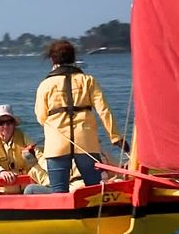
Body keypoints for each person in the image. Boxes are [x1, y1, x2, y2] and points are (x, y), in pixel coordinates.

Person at [35, 40, 129, 193]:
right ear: (73, 58)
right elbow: (104, 110)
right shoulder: (88, 81)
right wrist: (116, 137)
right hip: (86, 142)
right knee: (94, 190)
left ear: (52, 60)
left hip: (57, 143)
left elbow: (41, 117)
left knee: (59, 193)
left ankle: (63, 214)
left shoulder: (45, 85)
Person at [0, 104, 48, 194]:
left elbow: (39, 155)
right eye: (1, 123)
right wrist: (1, 172)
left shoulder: (23, 137)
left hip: (24, 186)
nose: (6, 126)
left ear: (14, 124)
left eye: (9, 122)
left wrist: (49, 168)